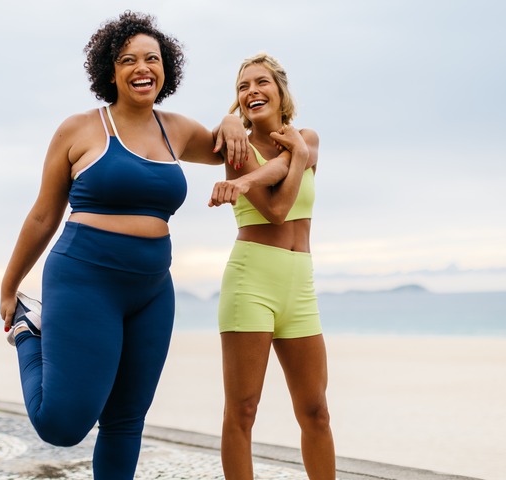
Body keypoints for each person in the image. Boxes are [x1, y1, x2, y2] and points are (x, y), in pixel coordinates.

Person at [0, 11, 248, 480]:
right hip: (83, 279)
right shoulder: (79, 130)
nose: (142, 68)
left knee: (125, 422)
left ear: (165, 68)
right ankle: (30, 334)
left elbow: (229, 150)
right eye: (128, 60)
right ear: (109, 70)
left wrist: (230, 121)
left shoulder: (178, 129)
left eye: (152, 59)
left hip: (152, 289)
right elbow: (43, 214)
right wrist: (10, 285)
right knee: (61, 424)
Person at [209, 53, 336, 480]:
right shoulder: (238, 149)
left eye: (261, 83)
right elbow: (278, 210)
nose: (251, 92)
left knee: (316, 410)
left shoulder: (309, 137)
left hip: (300, 285)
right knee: (242, 411)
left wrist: (288, 157)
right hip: (251, 282)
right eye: (243, 87)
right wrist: (291, 158)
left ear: (281, 92)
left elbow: (288, 161)